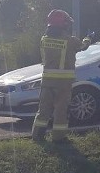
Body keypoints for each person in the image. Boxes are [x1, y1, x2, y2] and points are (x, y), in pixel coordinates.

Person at [31, 9, 93, 143]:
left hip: (47, 81)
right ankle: (59, 138)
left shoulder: (44, 39)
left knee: (43, 110)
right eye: (67, 23)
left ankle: (37, 136)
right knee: (60, 110)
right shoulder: (69, 40)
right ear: (63, 24)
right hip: (63, 83)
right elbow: (83, 46)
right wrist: (88, 38)